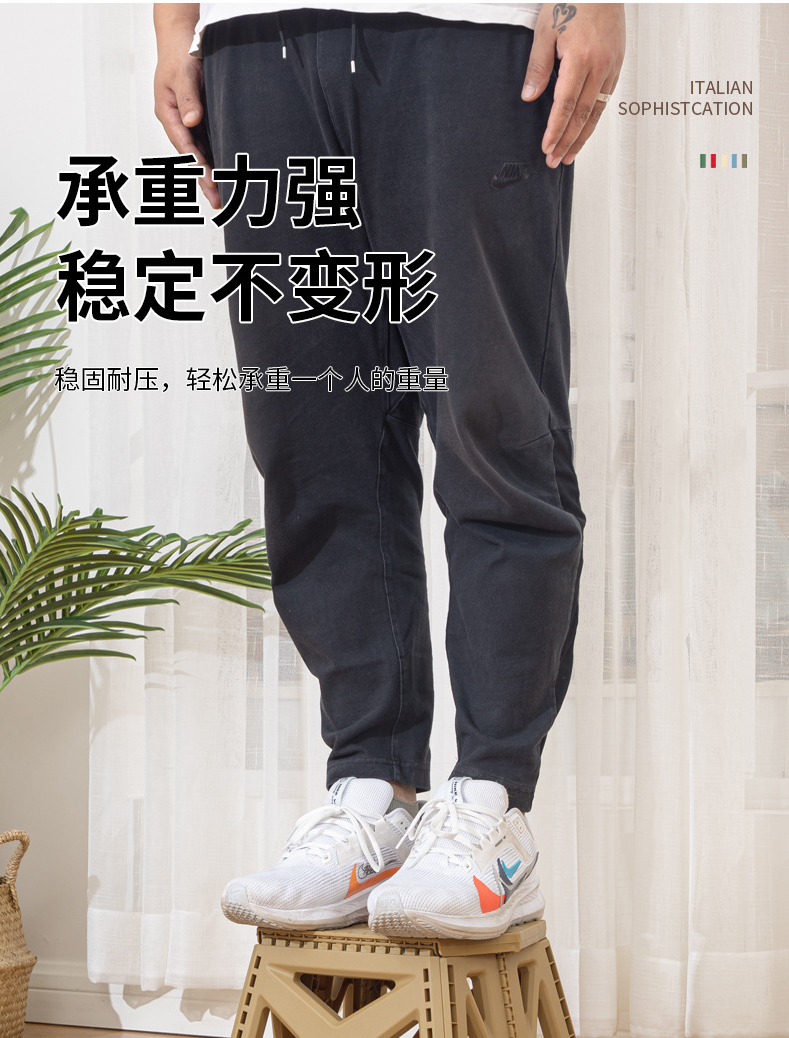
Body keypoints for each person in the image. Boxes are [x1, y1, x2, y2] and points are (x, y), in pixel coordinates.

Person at [153, 1, 625, 940]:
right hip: (260, 42)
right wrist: (173, 30)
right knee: (312, 443)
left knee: (493, 425)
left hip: (472, 33)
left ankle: (491, 806)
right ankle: (372, 790)